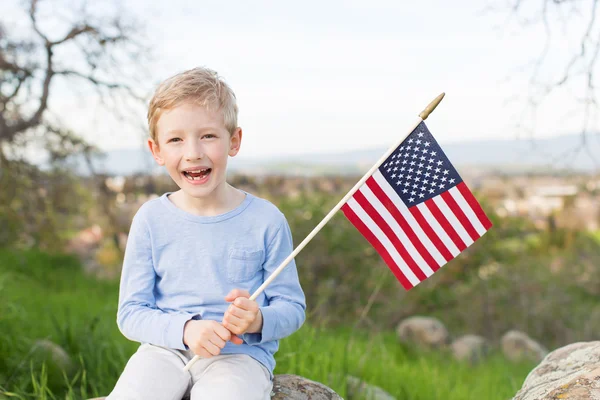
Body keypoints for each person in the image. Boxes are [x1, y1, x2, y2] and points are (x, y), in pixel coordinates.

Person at [107, 67, 306, 400]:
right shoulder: (150, 220)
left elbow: (292, 308)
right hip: (164, 350)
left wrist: (258, 319)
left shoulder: (266, 220)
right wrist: (185, 330)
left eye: (208, 136)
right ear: (156, 151)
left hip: (239, 358)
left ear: (234, 141)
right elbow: (131, 313)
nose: (193, 152)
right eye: (175, 139)